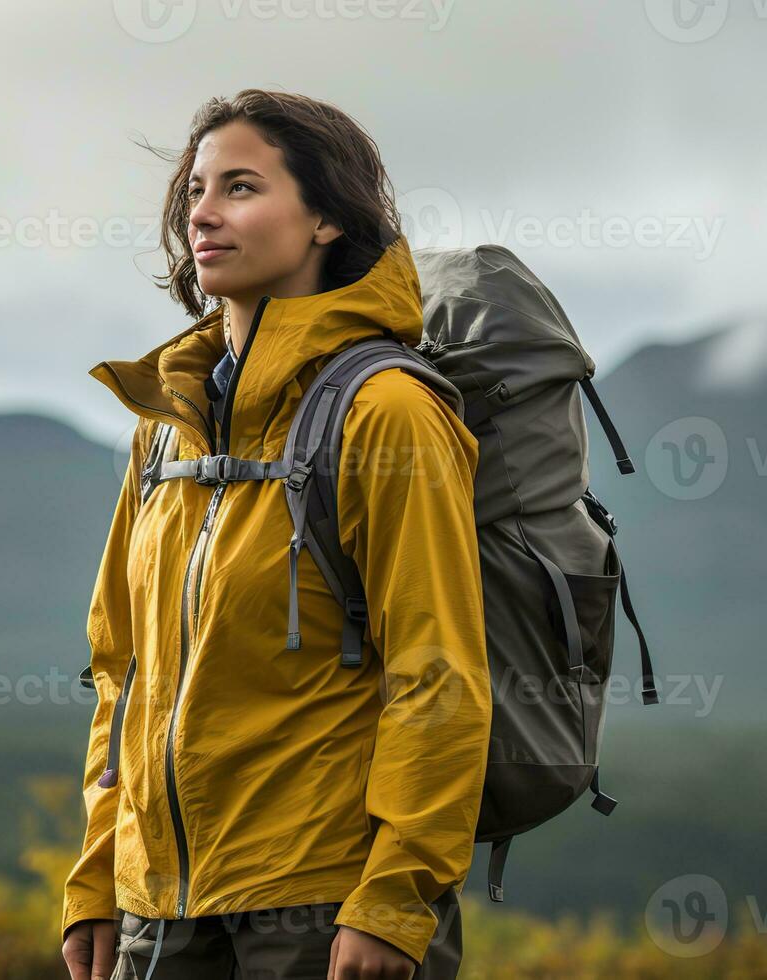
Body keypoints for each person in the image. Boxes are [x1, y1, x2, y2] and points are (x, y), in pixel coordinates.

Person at [61, 89, 489, 980]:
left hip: (320, 908)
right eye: (195, 193)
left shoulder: (387, 412)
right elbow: (123, 671)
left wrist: (392, 902)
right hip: (159, 911)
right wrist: (99, 875)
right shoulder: (165, 428)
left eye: (242, 188)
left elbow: (437, 671)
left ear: (327, 216)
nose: (203, 215)